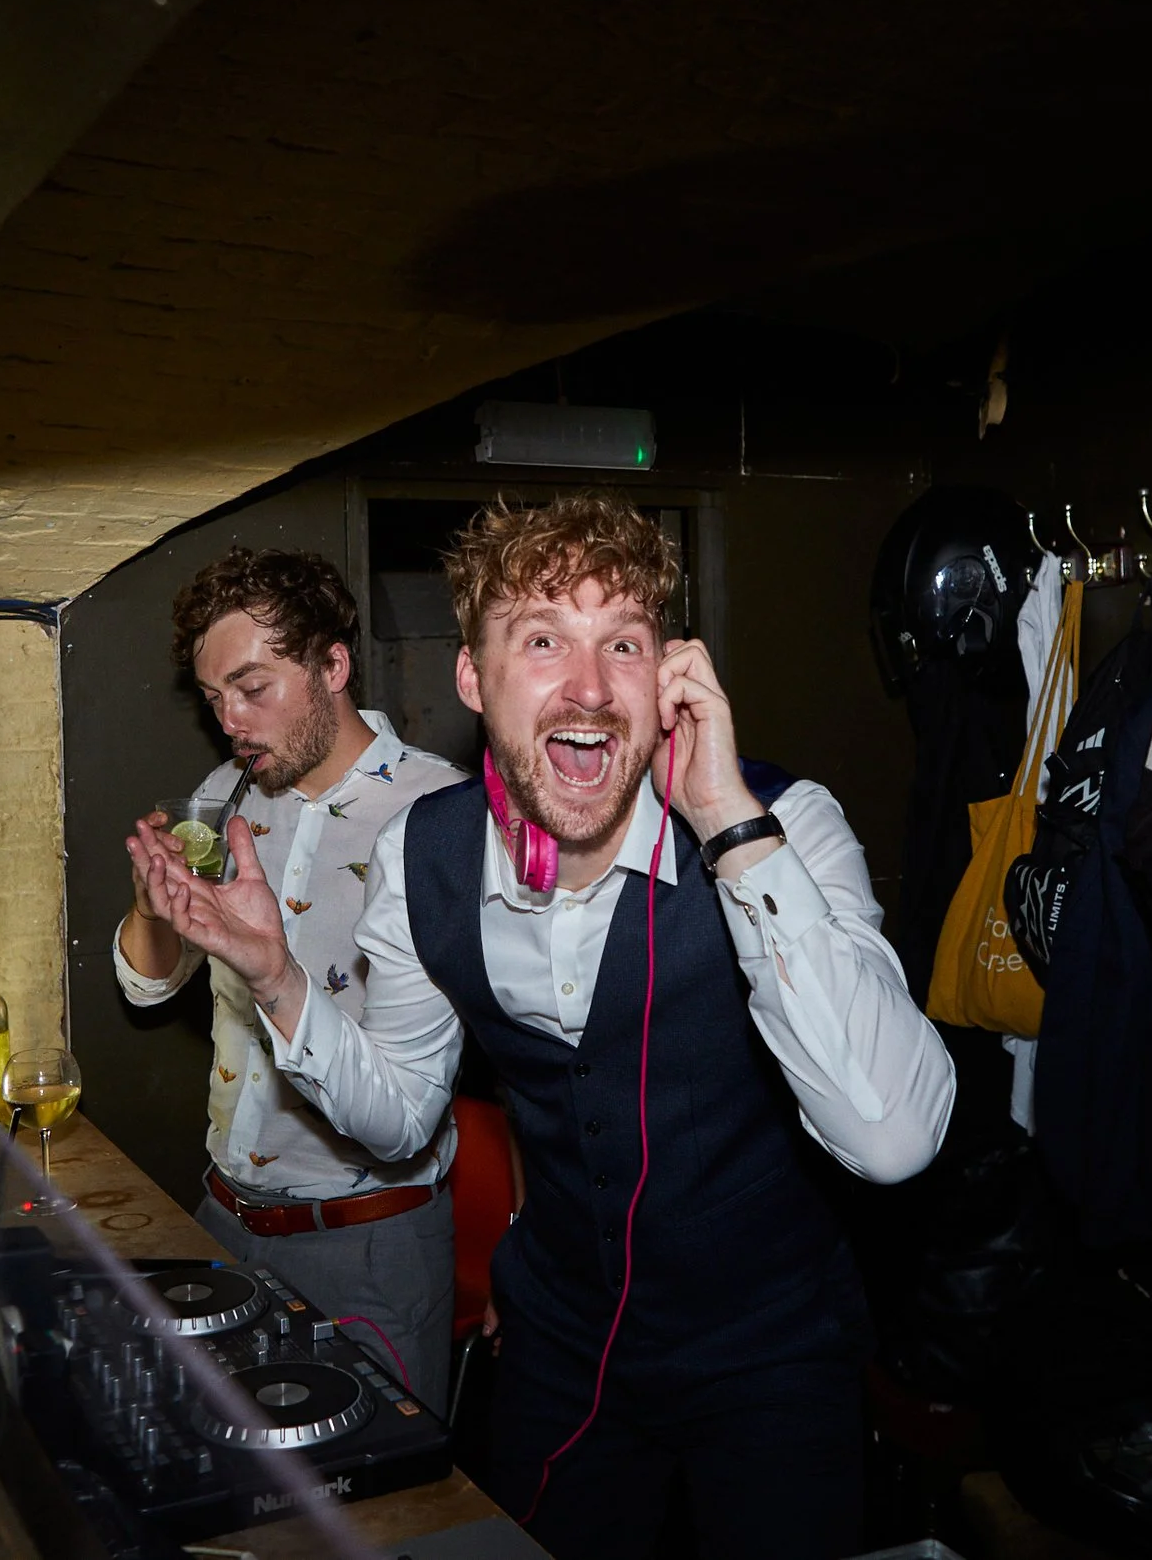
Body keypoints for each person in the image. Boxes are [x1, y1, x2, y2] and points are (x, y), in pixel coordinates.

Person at [129, 493, 956, 1560]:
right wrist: (278, 976)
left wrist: (727, 828)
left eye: (623, 641)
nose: (588, 686)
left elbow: (892, 1137)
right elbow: (393, 1118)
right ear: (473, 679)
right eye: (541, 639)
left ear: (671, 673)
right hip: (560, 1346)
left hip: (773, 1351)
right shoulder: (423, 854)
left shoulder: (785, 824)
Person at [117, 547, 467, 1403]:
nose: (231, 719)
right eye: (214, 698)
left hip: (369, 1245)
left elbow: (415, 1110)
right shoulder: (226, 796)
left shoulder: (440, 815)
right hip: (223, 1216)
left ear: (333, 665)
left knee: (380, 1522)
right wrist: (152, 909)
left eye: (253, 687)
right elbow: (146, 986)